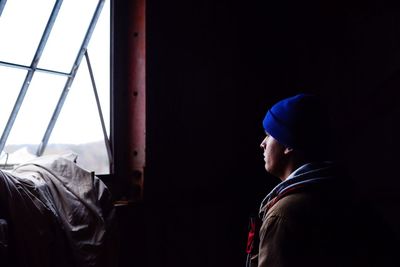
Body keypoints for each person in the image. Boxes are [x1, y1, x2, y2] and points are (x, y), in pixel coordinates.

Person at [245, 93, 398, 267]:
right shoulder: (349, 196)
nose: (262, 144)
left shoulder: (283, 215)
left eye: (269, 134)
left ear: (288, 145)